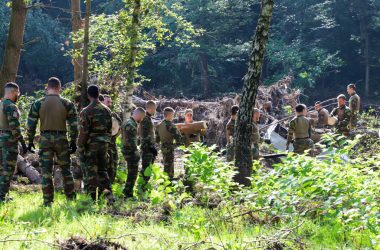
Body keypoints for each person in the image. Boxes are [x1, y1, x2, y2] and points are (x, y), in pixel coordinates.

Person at [27, 77, 77, 206]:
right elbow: (73, 125)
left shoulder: (38, 103)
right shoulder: (67, 103)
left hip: (45, 139)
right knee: (66, 170)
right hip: (61, 139)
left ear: (47, 88)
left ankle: (47, 201)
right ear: (59, 88)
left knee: (46, 172)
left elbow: (31, 123)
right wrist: (73, 141)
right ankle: (71, 198)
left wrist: (30, 140)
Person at [78, 85, 114, 203]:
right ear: (98, 94)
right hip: (104, 144)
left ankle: (94, 199)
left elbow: (84, 132)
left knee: (91, 171)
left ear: (88, 95)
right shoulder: (107, 110)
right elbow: (110, 129)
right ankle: (109, 196)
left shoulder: (86, 111)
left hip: (91, 145)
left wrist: (81, 145)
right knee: (102, 170)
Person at [0, 83, 27, 202]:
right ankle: (2, 196)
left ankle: (3, 194)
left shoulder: (0, 104)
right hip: (9, 140)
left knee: (1, 168)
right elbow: (14, 127)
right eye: (18, 93)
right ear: (13, 92)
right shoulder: (10, 106)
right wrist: (22, 141)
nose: (18, 96)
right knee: (8, 169)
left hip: (1, 138)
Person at [122, 107, 146, 198]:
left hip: (127, 151)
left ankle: (127, 192)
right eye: (142, 117)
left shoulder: (127, 122)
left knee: (131, 173)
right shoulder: (131, 125)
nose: (142, 120)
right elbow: (131, 142)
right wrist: (137, 153)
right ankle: (128, 193)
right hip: (130, 153)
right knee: (132, 174)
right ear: (139, 115)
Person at [99, 94, 121, 184]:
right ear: (102, 101)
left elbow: (120, 128)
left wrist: (114, 137)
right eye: (108, 102)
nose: (110, 104)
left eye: (110, 102)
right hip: (101, 146)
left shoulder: (114, 115)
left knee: (114, 166)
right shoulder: (98, 114)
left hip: (112, 145)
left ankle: (109, 186)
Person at [156, 107, 183, 180]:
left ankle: (165, 180)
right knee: (170, 165)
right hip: (169, 147)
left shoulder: (159, 125)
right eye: (172, 114)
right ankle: (169, 181)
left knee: (166, 164)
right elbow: (179, 139)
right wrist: (174, 146)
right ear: (168, 115)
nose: (173, 116)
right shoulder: (171, 125)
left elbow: (157, 139)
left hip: (163, 147)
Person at [139, 101, 157, 188]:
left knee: (148, 167)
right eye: (154, 109)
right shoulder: (145, 119)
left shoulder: (148, 118)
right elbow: (144, 135)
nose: (155, 111)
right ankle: (142, 186)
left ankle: (143, 185)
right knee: (146, 168)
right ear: (150, 108)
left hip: (149, 147)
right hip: (147, 148)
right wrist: (150, 147)